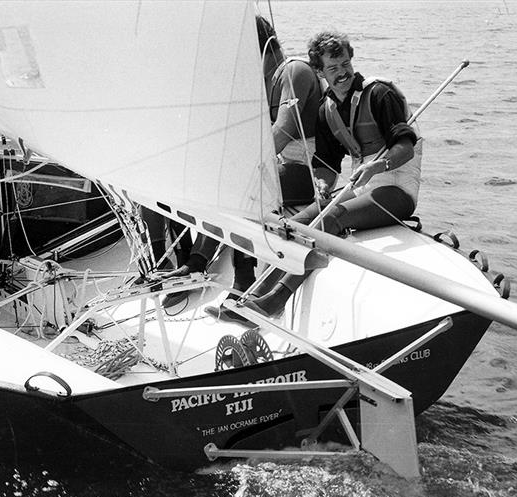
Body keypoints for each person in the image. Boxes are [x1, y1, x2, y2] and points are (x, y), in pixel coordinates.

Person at [250, 30, 422, 316]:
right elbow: (325, 164)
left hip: (396, 188)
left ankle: (277, 300)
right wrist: (320, 184)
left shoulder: (380, 94)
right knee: (298, 220)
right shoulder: (327, 108)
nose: (342, 73)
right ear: (320, 71)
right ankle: (255, 293)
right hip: (362, 187)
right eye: (333, 68)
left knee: (332, 217)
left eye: (345, 64)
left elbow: (405, 148)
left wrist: (376, 165)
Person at [164, 16, 322, 319]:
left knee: (239, 187)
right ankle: (196, 264)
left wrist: (246, 168)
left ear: (256, 47)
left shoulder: (294, 71)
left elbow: (286, 129)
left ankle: (243, 282)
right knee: (221, 183)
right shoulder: (265, 81)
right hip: (278, 168)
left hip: (304, 170)